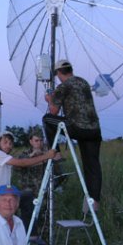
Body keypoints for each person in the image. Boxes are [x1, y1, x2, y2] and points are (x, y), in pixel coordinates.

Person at [43, 59, 103, 212]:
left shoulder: (63, 86)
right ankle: (94, 201)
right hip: (94, 129)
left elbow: (53, 112)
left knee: (47, 119)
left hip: (77, 127)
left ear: (58, 73)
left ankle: (54, 152)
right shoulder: (83, 82)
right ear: (70, 69)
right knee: (92, 166)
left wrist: (50, 99)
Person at [0, 131, 56, 213]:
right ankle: (27, 224)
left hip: (2, 197)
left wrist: (42, 158)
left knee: (27, 197)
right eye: (5, 142)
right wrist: (47, 156)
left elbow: (23, 164)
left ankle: (28, 225)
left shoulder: (5, 157)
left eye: (10, 143)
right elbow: (22, 163)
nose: (8, 145)